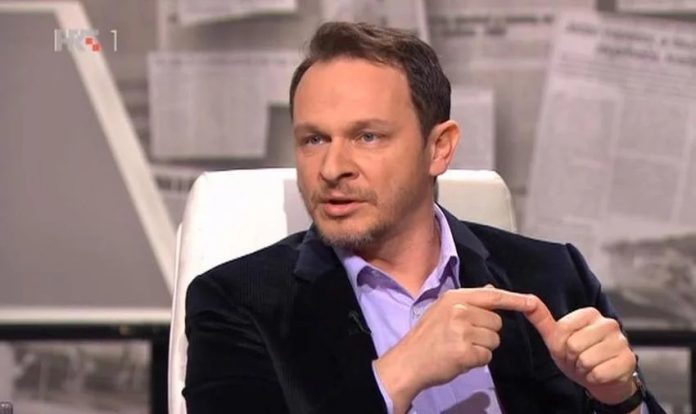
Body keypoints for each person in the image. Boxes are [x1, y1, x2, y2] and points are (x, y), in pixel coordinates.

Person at [183, 22, 666, 414]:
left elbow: (623, 401)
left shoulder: (551, 276)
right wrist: (399, 374)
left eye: (367, 137)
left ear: (439, 148)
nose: (331, 168)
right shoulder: (237, 302)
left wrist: (620, 399)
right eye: (314, 139)